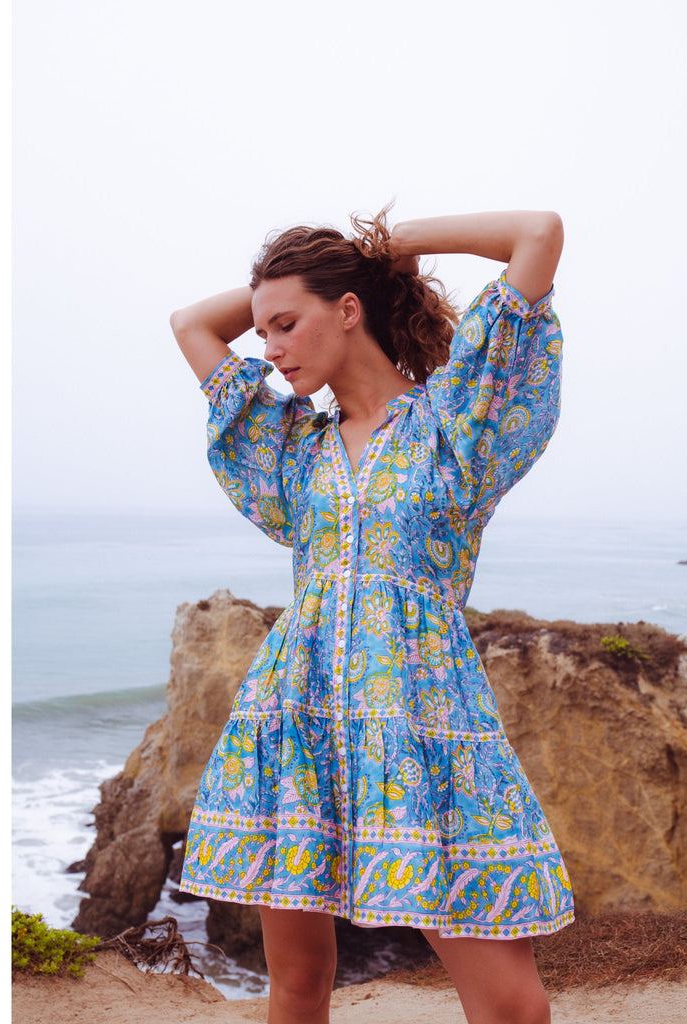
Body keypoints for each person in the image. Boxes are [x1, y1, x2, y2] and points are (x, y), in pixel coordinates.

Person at [169, 208, 573, 1024]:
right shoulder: (293, 449)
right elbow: (189, 325)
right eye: (262, 331)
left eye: (287, 325)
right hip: (297, 719)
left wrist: (381, 250)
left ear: (349, 309)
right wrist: (292, 293)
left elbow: (538, 233)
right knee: (298, 983)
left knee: (512, 1008)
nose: (268, 348)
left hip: (424, 729)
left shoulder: (453, 426)